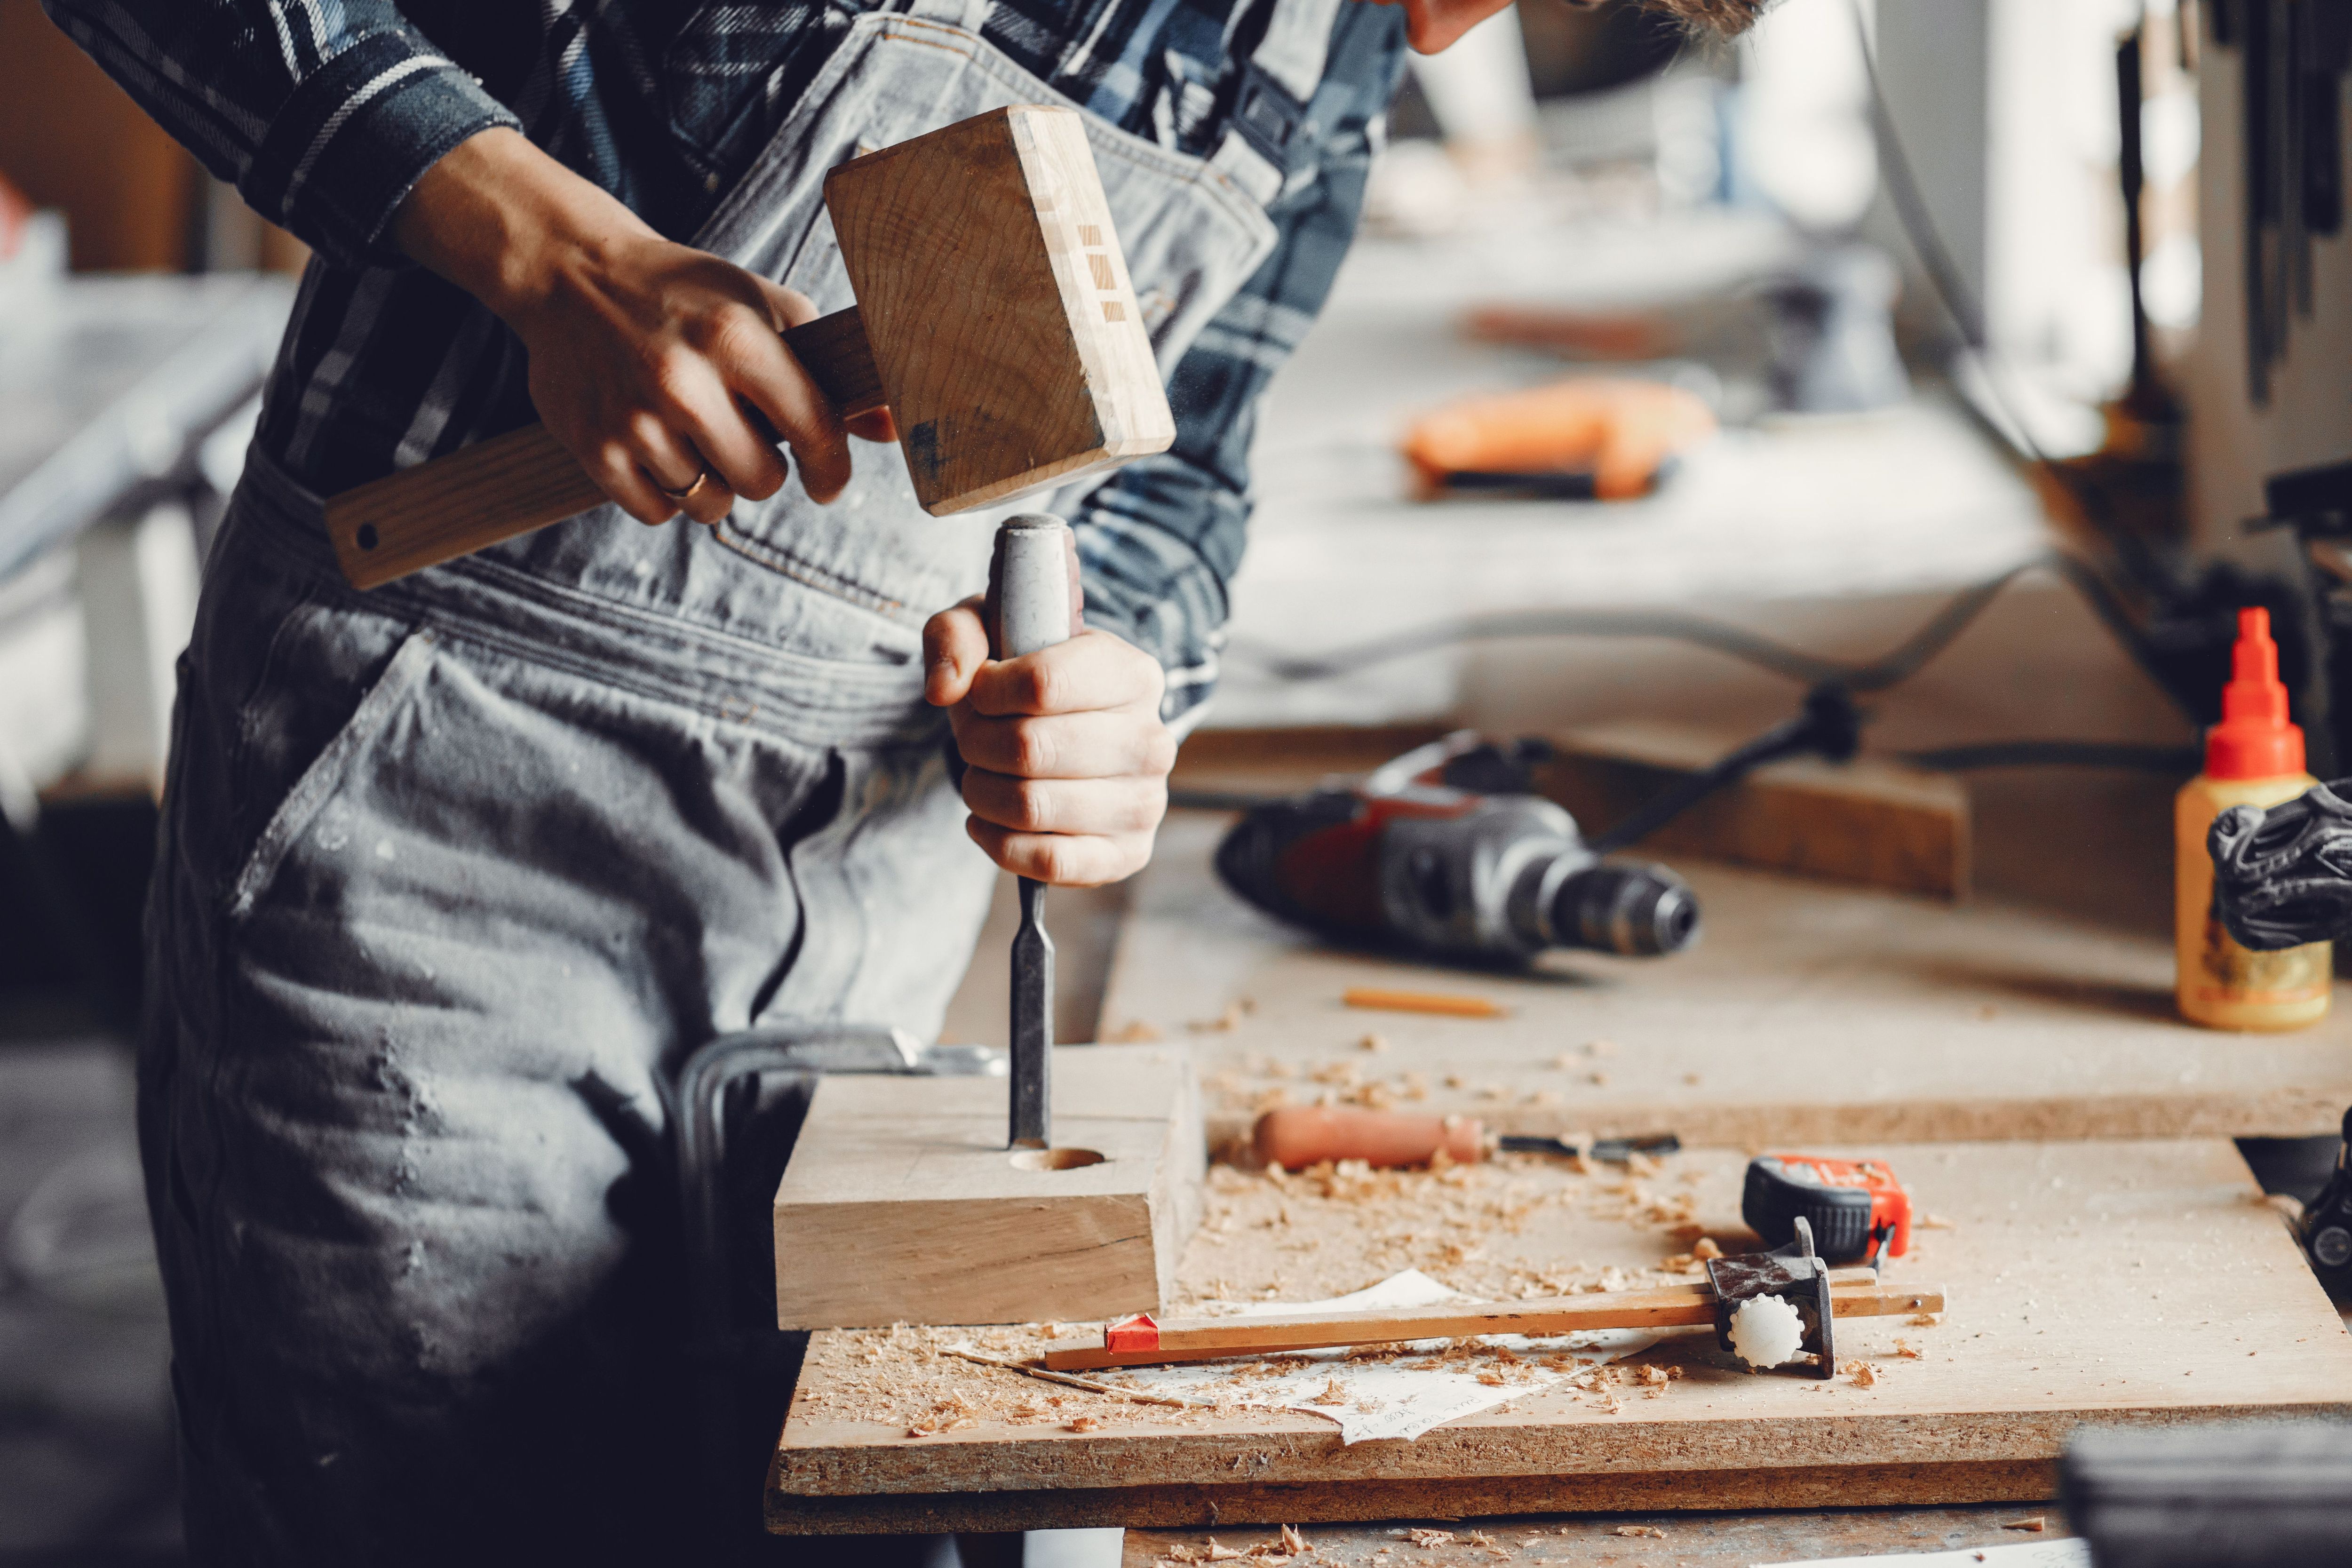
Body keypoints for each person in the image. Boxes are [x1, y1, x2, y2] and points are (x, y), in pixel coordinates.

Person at [46, 0, 1766, 1559]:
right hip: (435, 824)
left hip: (860, 910)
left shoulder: (1342, 57)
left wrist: (1122, 688)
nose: (1437, 45)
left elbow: (1185, 480)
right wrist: (542, 245)